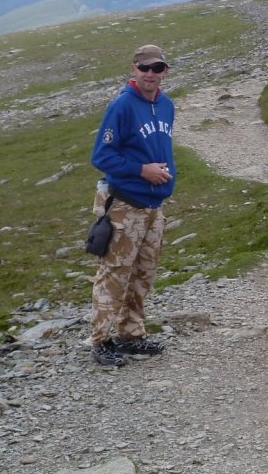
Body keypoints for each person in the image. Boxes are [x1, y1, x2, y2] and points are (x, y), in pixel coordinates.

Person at [88, 44, 176, 367]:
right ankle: (100, 341)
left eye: (157, 68)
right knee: (114, 274)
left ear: (165, 71)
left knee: (143, 274)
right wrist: (143, 171)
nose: (150, 74)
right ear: (133, 70)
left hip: (155, 206)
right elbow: (101, 155)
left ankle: (132, 336)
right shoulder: (122, 106)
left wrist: (165, 175)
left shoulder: (166, 106)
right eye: (144, 68)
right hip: (125, 205)